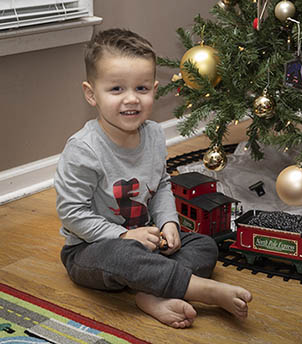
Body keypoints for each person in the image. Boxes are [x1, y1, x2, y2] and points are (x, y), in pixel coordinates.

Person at [54, 28, 252, 329]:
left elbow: (160, 184)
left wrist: (169, 223)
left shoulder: (155, 135)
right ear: (91, 94)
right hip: (92, 248)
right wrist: (122, 236)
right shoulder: (83, 150)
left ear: (154, 89)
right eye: (117, 89)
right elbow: (72, 214)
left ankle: (151, 292)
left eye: (142, 89)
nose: (131, 99)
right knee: (124, 256)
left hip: (147, 235)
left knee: (204, 245)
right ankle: (200, 290)